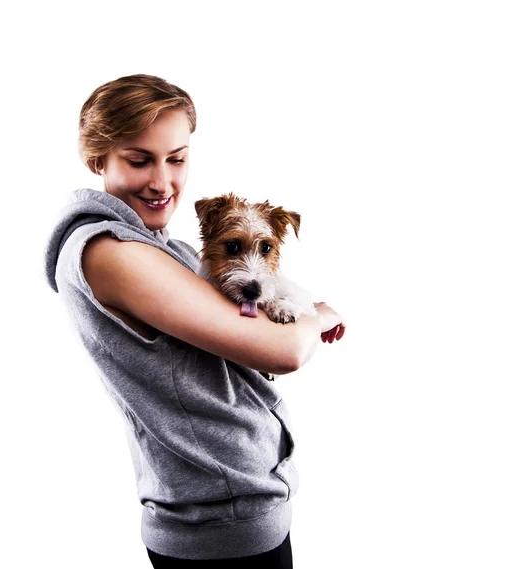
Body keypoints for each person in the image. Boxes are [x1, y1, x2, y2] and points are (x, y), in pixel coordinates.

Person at [43, 74, 346, 568]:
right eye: (139, 159)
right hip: (218, 519)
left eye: (177, 158)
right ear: (98, 157)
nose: (162, 182)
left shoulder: (169, 251)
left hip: (233, 502)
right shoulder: (111, 253)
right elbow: (284, 351)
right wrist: (318, 313)